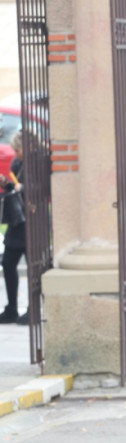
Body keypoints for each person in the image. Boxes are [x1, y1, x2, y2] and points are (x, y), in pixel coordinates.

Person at [0, 130, 28, 325]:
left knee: (35, 267)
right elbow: (15, 191)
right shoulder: (17, 163)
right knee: (8, 263)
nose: (16, 154)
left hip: (33, 222)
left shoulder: (37, 164)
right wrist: (7, 184)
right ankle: (11, 309)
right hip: (17, 221)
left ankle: (32, 310)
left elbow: (42, 189)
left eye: (18, 150)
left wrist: (23, 188)